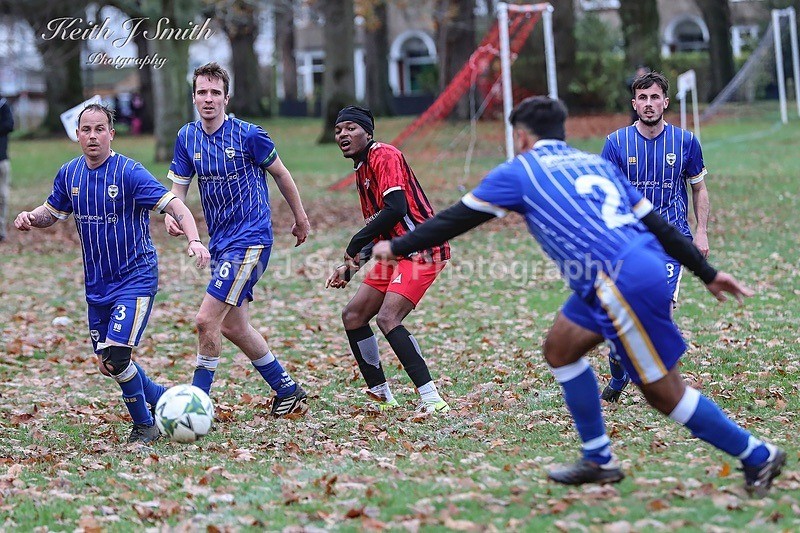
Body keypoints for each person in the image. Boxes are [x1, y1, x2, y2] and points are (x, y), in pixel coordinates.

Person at [371, 96, 785, 496]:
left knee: (664, 393)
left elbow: (455, 219)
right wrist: (707, 272)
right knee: (561, 348)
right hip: (627, 272)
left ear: (521, 136)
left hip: (620, 283)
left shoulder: (520, 170)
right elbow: (659, 225)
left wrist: (397, 245)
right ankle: (598, 458)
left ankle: (757, 454)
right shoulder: (594, 164)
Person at [14, 103, 211, 444]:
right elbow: (52, 211)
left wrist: (194, 239)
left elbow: (175, 204)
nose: (93, 136)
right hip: (97, 285)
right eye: (86, 130)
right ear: (77, 135)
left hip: (135, 277)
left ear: (111, 134)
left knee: (117, 356)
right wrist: (31, 217)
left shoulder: (129, 173)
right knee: (107, 364)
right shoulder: (70, 174)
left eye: (99, 129)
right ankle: (168, 399)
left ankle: (145, 426)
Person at [164, 62, 311, 418]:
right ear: (194, 97)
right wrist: (172, 213)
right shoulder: (187, 137)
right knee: (233, 325)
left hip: (251, 239)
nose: (208, 98)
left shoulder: (249, 135)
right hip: (221, 242)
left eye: (215, 92)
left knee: (206, 319)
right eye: (202, 92)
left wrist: (300, 218)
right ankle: (287, 389)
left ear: (226, 98)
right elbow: (179, 188)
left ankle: (197, 407)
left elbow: (281, 174)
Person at [325, 105, 451, 414]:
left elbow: (396, 208)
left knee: (388, 318)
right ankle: (381, 395)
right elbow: (379, 229)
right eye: (339, 130)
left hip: (423, 249)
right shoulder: (362, 169)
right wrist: (350, 268)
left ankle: (432, 399)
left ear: (368, 133)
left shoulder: (384, 155)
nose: (343, 134)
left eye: (351, 128)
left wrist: (355, 241)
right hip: (395, 253)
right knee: (353, 315)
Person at [599, 71, 711, 402]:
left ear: (665, 102)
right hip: (628, 242)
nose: (649, 104)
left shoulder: (686, 142)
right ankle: (619, 372)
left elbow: (699, 189)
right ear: (634, 104)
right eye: (642, 98)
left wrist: (701, 232)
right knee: (621, 318)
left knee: (659, 311)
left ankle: (662, 386)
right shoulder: (616, 143)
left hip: (671, 241)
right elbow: (605, 195)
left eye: (654, 97)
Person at [0, 95, 13, 242]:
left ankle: (1, 230)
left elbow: (10, 125)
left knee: (2, 196)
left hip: (1, 159)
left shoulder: (3, 105)